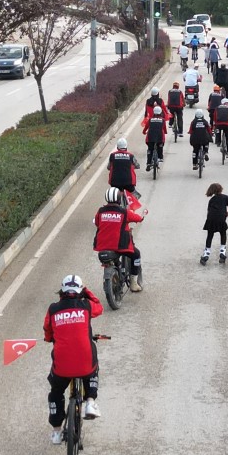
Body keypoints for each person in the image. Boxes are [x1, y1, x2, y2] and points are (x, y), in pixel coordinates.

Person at [44, 275, 104, 441]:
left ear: (62, 291)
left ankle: (56, 431)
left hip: (61, 367)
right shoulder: (86, 305)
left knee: (55, 391)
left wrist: (50, 338)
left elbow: (47, 331)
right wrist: (87, 291)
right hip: (85, 363)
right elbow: (100, 307)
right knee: (92, 365)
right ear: (80, 291)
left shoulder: (53, 309)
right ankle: (90, 401)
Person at [93, 188, 142, 292]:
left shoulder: (101, 211)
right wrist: (141, 218)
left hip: (102, 246)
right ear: (120, 199)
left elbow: (97, 223)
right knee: (136, 254)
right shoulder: (124, 212)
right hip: (120, 246)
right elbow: (138, 218)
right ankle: (133, 283)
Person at [201, 182, 228, 265]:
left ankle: (206, 254)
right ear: (221, 189)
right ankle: (222, 252)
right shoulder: (226, 197)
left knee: (210, 235)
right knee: (223, 234)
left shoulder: (211, 200)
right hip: (221, 219)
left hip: (211, 219)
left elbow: (208, 211)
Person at [212, 93, 228, 159]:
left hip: (218, 124)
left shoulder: (217, 108)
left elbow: (215, 116)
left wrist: (215, 124)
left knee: (218, 131)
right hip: (227, 125)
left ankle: (218, 141)